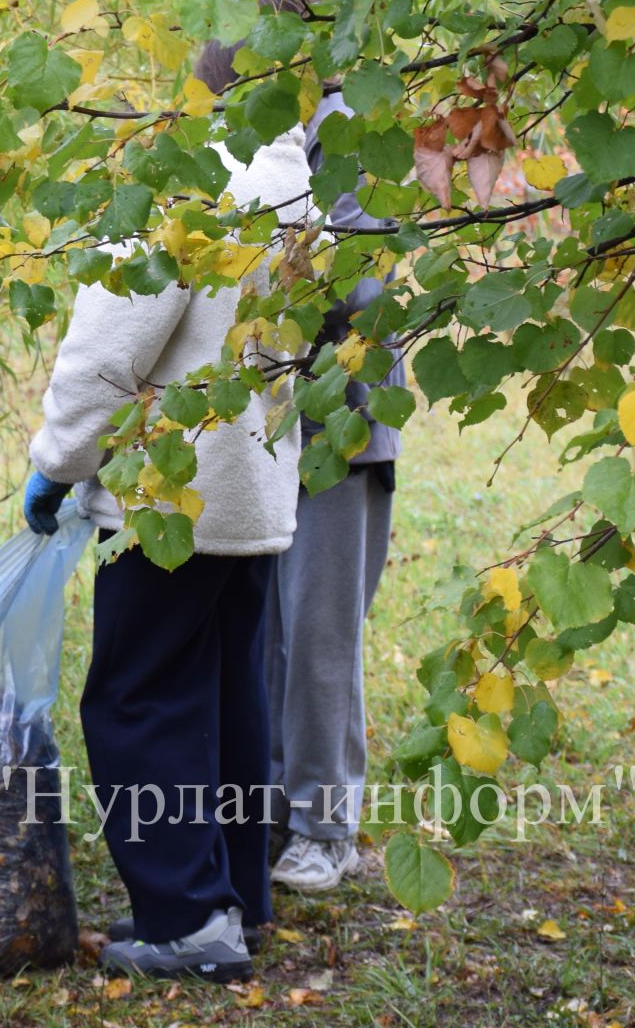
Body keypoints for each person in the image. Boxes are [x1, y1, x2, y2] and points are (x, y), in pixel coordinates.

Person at [23, 102, 312, 982]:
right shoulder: (300, 187)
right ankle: (233, 899)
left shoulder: (184, 180)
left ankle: (189, 918)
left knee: (139, 699)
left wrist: (58, 460)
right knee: (226, 692)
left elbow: (111, 346)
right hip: (251, 491)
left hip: (169, 498)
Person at [263, 86, 403, 893]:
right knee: (277, 632)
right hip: (280, 429)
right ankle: (284, 809)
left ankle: (327, 830)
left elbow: (351, 284)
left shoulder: (347, 130)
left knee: (318, 636)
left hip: (344, 432)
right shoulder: (274, 132)